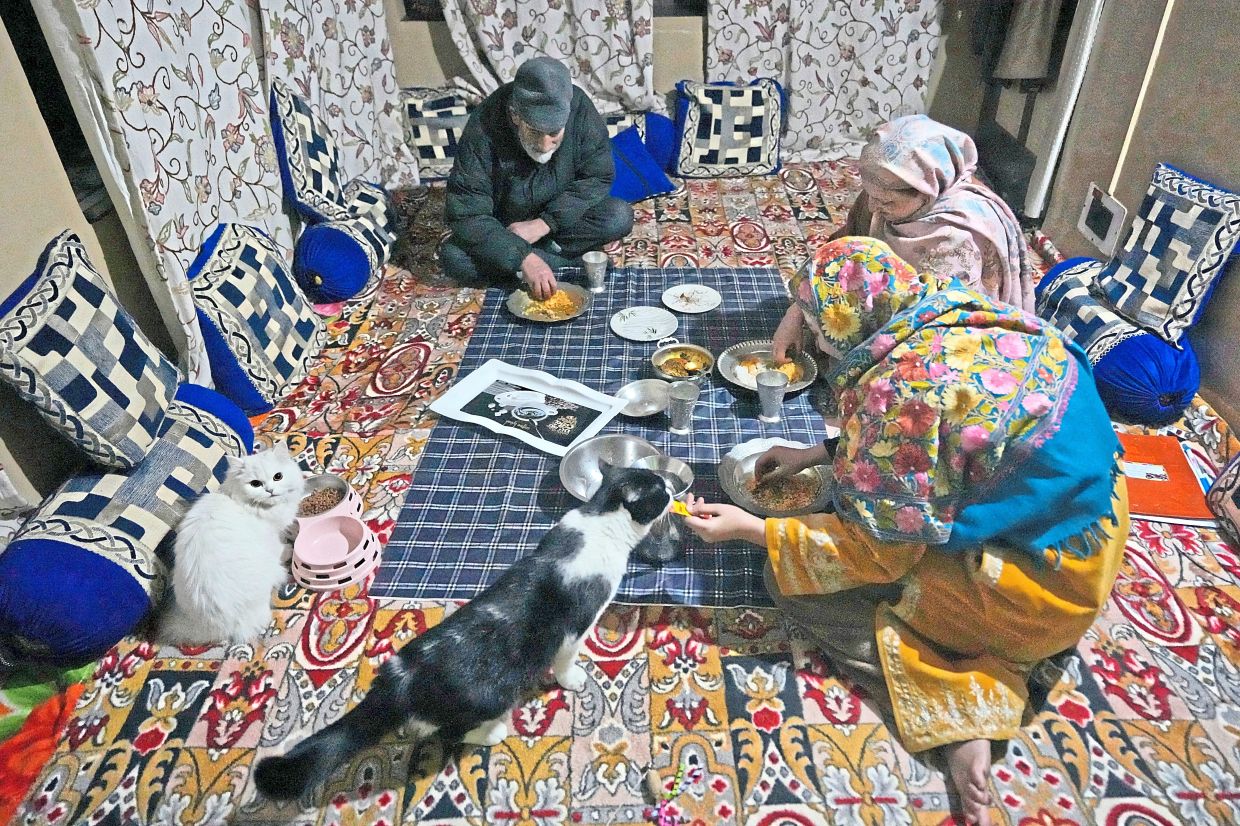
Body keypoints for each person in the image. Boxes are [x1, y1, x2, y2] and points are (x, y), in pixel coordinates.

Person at [685, 237, 1128, 826]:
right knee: (860, 507)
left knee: (790, 579)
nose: (817, 343)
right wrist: (816, 452)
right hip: (1091, 519)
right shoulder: (948, 307)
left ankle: (970, 699)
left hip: (1039, 579)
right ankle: (994, 653)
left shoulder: (898, 393)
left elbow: (878, 555)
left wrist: (751, 529)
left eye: (819, 331)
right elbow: (947, 438)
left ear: (845, 326)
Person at [772, 114, 1035, 363]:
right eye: (869, 193)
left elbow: (932, 330)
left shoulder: (957, 238)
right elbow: (837, 255)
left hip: (934, 337)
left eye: (886, 201)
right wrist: (796, 311)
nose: (873, 207)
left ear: (927, 192)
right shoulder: (882, 196)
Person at [441, 57, 633, 300]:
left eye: (554, 133)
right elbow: (467, 213)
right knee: (453, 258)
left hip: (560, 220)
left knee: (618, 216)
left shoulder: (580, 108)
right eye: (534, 131)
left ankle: (529, 264)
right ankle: (554, 262)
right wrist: (522, 256)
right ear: (515, 115)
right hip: (507, 228)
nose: (544, 145)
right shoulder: (483, 125)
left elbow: (596, 177)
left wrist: (544, 224)